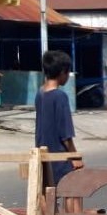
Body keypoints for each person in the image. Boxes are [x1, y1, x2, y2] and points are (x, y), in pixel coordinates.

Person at [35, 50, 84, 191]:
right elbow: (66, 135)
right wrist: (75, 156)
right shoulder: (60, 96)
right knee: (72, 193)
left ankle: (49, 214)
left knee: (46, 193)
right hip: (60, 156)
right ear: (63, 72)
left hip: (43, 154)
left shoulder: (40, 93)